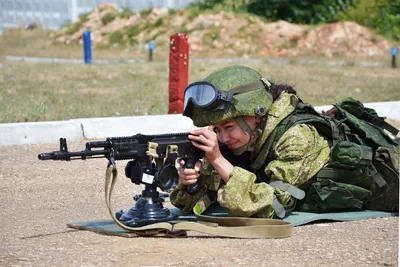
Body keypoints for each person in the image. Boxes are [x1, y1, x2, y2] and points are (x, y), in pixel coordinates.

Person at [170, 65, 399, 219]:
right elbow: (198, 205)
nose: (223, 138)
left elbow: (277, 205)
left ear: (257, 115)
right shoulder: (243, 139)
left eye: (229, 127)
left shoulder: (296, 137)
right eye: (217, 130)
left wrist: (220, 162)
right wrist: (193, 181)